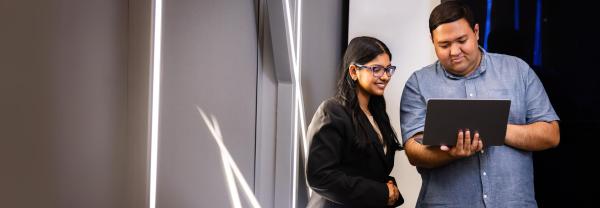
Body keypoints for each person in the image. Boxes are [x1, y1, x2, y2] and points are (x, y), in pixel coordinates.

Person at [400, 1, 560, 207]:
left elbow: (551, 134)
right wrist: (449, 154)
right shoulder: (418, 83)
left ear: (476, 32)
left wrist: (494, 128)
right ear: (432, 41)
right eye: (444, 45)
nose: (454, 51)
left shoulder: (517, 71)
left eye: (461, 40)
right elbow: (413, 150)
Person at [306, 36, 404, 207]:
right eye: (376, 69)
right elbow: (320, 177)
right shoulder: (332, 111)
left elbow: (367, 170)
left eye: (388, 69)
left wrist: (390, 191)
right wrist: (381, 192)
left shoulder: (377, 115)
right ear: (353, 72)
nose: (385, 76)